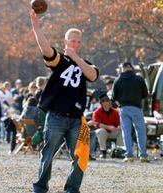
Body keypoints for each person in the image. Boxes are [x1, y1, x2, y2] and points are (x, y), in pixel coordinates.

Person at [30, 10, 99, 193]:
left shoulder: (85, 63)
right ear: (66, 42)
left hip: (76, 118)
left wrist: (77, 58)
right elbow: (45, 49)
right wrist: (36, 28)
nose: (75, 44)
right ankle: (40, 187)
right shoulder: (60, 60)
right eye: (72, 41)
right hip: (56, 117)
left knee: (80, 156)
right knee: (48, 153)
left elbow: (92, 75)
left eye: (78, 41)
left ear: (81, 43)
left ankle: (72, 189)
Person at [112, 62, 149, 162]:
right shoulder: (139, 79)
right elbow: (145, 94)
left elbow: (113, 97)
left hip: (124, 108)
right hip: (137, 107)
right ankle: (143, 155)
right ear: (131, 68)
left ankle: (129, 155)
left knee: (126, 132)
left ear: (123, 68)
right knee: (141, 132)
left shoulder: (118, 80)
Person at [88, 93, 123, 159]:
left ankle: (117, 151)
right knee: (101, 131)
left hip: (112, 131)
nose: (108, 102)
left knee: (121, 131)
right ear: (102, 103)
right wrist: (108, 127)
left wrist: (119, 126)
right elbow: (97, 124)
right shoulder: (96, 112)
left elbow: (119, 123)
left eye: (108, 100)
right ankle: (103, 151)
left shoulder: (116, 112)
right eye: (105, 100)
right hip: (102, 132)